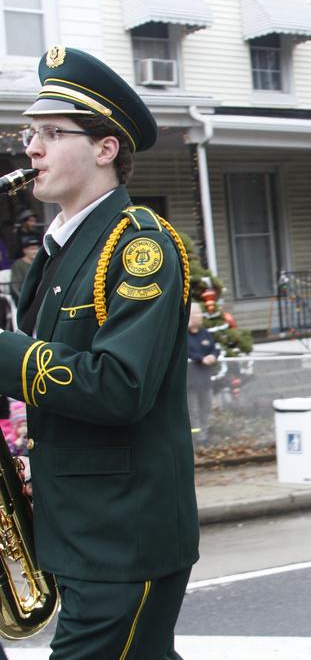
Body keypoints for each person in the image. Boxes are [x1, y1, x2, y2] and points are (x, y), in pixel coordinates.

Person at [0, 46, 198, 658]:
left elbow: (118, 387)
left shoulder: (142, 245)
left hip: (123, 532)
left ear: (105, 148)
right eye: (30, 132)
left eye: (51, 133)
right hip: (82, 523)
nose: (31, 148)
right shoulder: (58, 251)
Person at [187, 301, 219, 439]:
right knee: (193, 409)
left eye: (200, 313)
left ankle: (204, 434)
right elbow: (185, 352)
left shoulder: (205, 333)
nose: (200, 316)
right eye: (197, 314)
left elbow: (214, 349)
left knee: (206, 407)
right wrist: (200, 359)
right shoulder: (183, 335)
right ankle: (196, 437)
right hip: (190, 381)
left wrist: (213, 356)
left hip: (205, 379)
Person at [9, 232, 40, 304]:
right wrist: (23, 300)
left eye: (37, 248)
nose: (35, 251)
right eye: (32, 249)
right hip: (25, 298)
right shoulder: (18, 264)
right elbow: (15, 286)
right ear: (25, 250)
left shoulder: (40, 262)